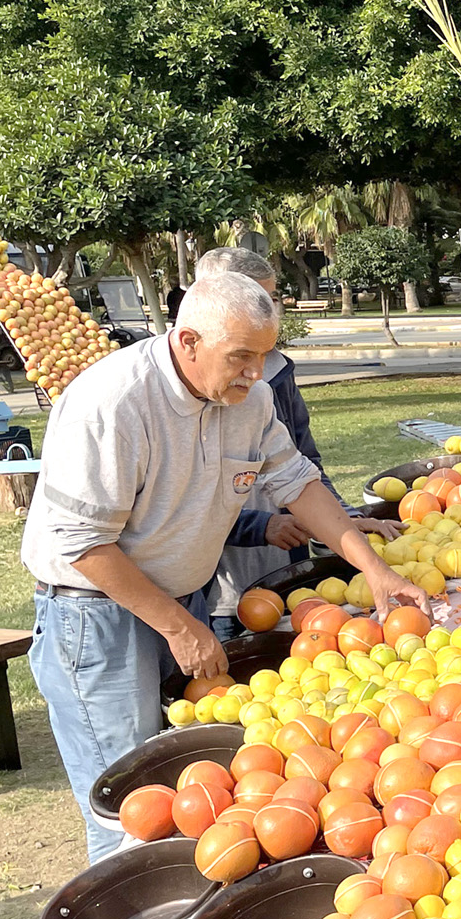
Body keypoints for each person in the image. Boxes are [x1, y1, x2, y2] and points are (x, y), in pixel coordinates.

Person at [23, 273, 431, 919]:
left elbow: (295, 480)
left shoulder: (248, 398)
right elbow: (81, 544)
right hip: (96, 611)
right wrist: (177, 626)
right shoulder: (111, 401)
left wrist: (373, 570)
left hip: (175, 597)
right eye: (241, 358)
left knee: (189, 780)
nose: (254, 373)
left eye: (264, 357)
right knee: (129, 794)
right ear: (186, 341)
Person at [193, 246, 401, 642]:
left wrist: (345, 522)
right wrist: (259, 526)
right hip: (220, 583)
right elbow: (185, 505)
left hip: (284, 559)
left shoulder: (272, 374)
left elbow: (300, 468)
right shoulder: (176, 390)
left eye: (271, 299)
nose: (265, 311)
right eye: (253, 298)